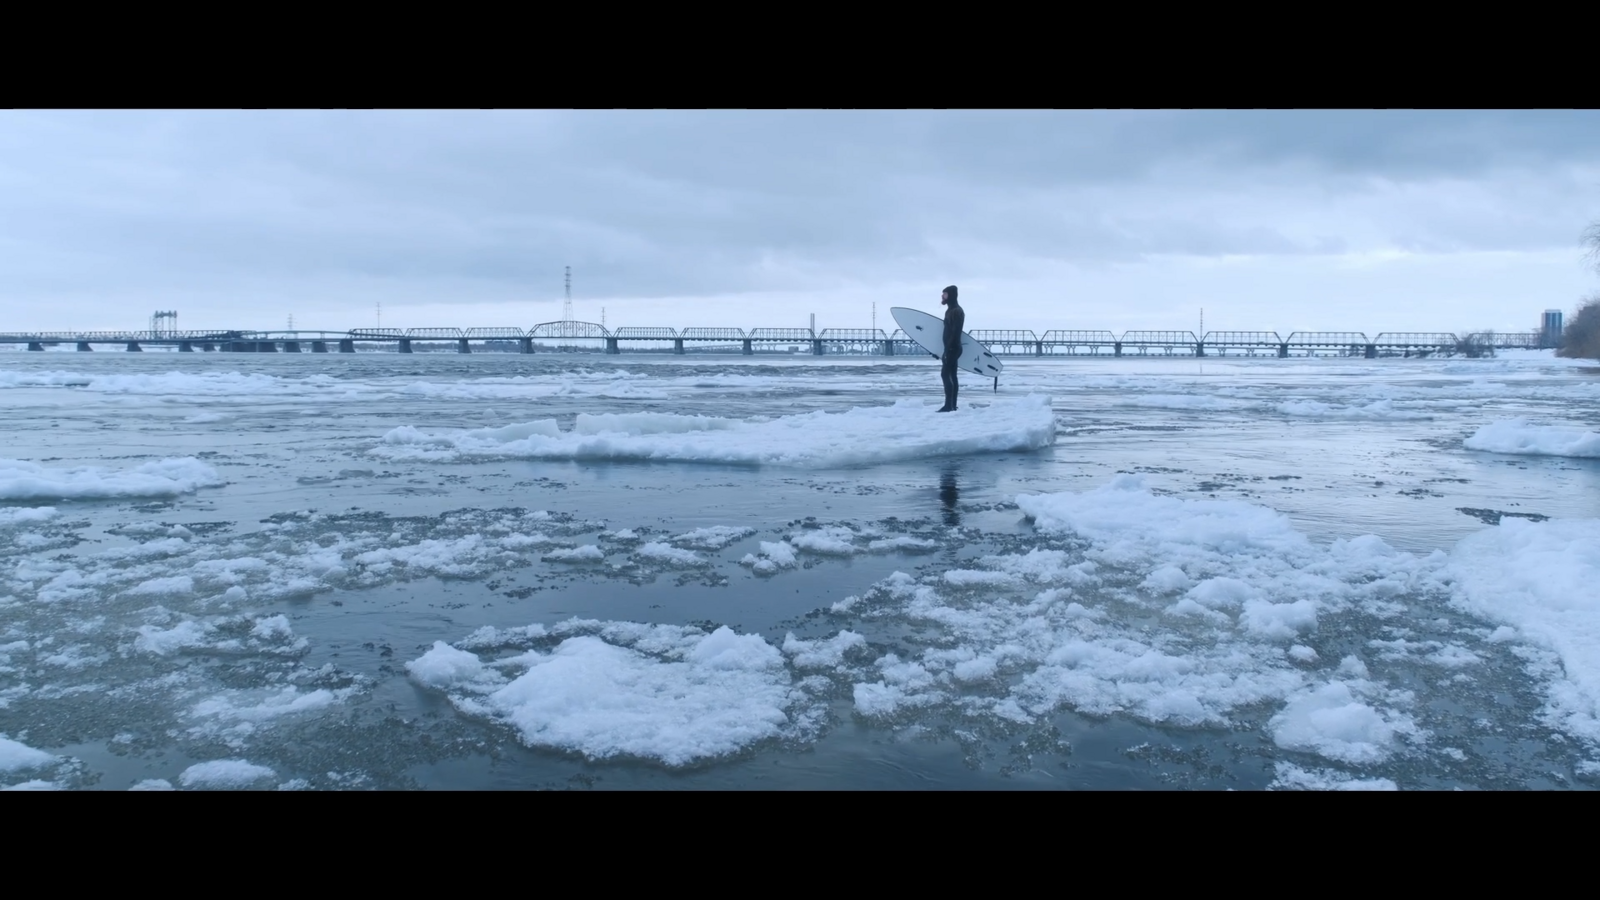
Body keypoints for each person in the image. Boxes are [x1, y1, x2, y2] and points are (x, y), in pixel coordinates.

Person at [937, 285, 964, 412]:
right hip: (951, 348)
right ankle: (952, 405)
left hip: (953, 348)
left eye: (945, 294)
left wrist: (948, 349)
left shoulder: (957, 311)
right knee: (952, 375)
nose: (943, 296)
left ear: (951, 295)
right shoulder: (950, 311)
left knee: (945, 374)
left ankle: (949, 405)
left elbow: (955, 332)